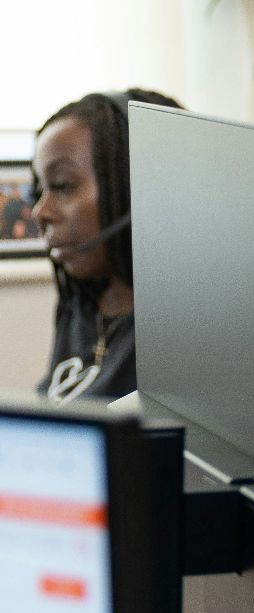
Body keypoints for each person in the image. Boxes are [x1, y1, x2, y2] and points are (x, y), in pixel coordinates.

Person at [29, 88, 184, 404]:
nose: (39, 211)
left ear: (135, 182)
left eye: (61, 185)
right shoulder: (80, 304)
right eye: (39, 190)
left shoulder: (189, 333)